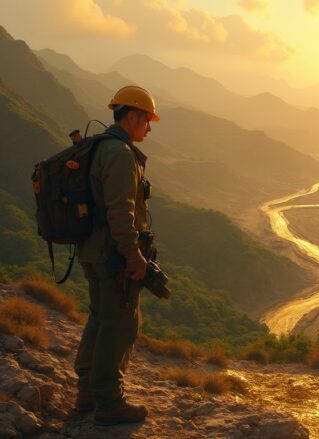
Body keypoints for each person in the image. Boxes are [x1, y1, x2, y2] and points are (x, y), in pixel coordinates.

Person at [73, 85, 159, 426]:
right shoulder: (121, 155)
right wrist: (134, 256)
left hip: (91, 251)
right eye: (147, 120)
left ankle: (87, 390)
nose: (148, 128)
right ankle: (109, 400)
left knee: (100, 315)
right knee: (120, 322)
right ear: (132, 116)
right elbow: (121, 214)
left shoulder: (96, 146)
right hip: (113, 255)